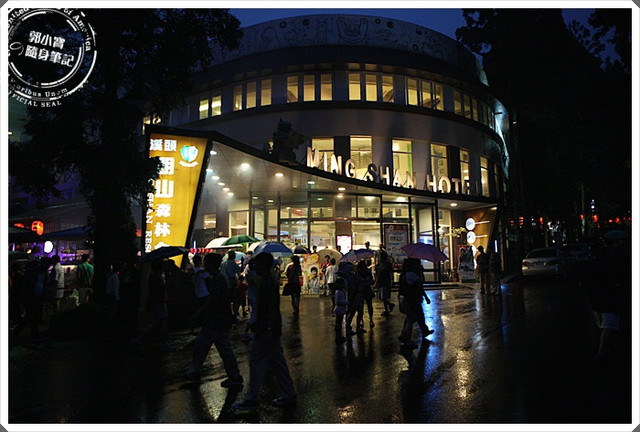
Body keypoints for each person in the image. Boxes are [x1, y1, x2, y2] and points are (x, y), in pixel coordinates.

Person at [232, 252, 297, 411]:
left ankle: (252, 398)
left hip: (266, 329)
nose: (256, 267)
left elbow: (269, 308)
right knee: (277, 363)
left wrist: (267, 327)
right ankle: (288, 394)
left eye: (258, 264)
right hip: (271, 328)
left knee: (257, 362)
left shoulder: (267, 284)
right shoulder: (269, 281)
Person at [184, 253, 243, 387]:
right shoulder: (216, 278)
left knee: (219, 348)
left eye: (206, 262)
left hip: (217, 319)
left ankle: (234, 376)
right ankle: (195, 370)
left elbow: (213, 300)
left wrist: (198, 314)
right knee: (204, 346)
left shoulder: (217, 279)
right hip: (215, 318)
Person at [131, 258, 171, 350]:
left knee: (155, 323)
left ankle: (140, 338)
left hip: (155, 301)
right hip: (159, 301)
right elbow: (163, 288)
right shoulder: (157, 277)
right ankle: (164, 342)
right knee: (163, 321)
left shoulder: (151, 276)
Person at [398, 258, 433, 348]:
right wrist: (421, 272)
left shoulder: (404, 274)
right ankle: (407, 339)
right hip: (411, 299)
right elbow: (420, 284)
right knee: (411, 319)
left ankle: (403, 335)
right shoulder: (411, 275)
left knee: (410, 318)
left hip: (405, 298)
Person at [346, 261, 367, 335]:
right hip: (356, 296)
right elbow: (354, 288)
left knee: (357, 312)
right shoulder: (354, 277)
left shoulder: (354, 276)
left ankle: (353, 327)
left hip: (357, 296)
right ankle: (350, 328)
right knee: (353, 312)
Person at [221, 251, 242, 319]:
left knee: (228, 302)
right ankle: (235, 316)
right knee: (236, 301)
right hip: (232, 284)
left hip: (225, 285)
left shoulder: (223, 264)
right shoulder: (232, 263)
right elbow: (239, 270)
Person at [375, 251, 395, 316]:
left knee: (383, 296)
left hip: (385, 281)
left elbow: (391, 273)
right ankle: (388, 306)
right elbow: (377, 274)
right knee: (381, 297)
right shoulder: (379, 265)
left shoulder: (387, 264)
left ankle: (387, 308)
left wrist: (392, 280)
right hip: (381, 282)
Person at [333, 277, 349, 343]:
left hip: (340, 309)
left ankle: (339, 336)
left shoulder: (339, 292)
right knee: (339, 322)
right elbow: (339, 301)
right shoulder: (339, 292)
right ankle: (339, 337)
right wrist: (346, 302)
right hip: (340, 309)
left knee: (339, 322)